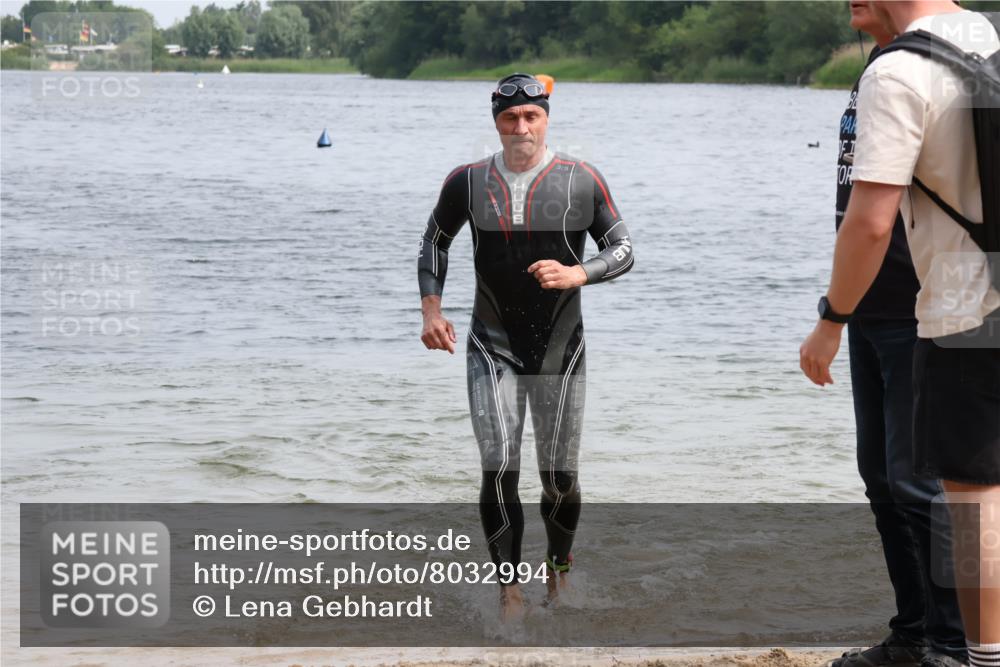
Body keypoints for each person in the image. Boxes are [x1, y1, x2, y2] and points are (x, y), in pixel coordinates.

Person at [800, 3, 999, 667]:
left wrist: (830, 317)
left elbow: (872, 220)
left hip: (933, 302)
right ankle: (921, 633)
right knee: (892, 477)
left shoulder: (907, 69)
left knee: (947, 487)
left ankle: (957, 647)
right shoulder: (945, 51)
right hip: (900, 302)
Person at [417, 73, 634, 621]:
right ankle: (508, 591)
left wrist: (578, 274)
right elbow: (434, 241)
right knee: (499, 466)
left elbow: (624, 248)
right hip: (491, 344)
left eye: (531, 117)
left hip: (562, 347)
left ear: (545, 119)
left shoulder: (581, 180)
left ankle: (558, 574)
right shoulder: (467, 182)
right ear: (496, 121)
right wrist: (431, 311)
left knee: (560, 478)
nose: (521, 129)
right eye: (510, 119)